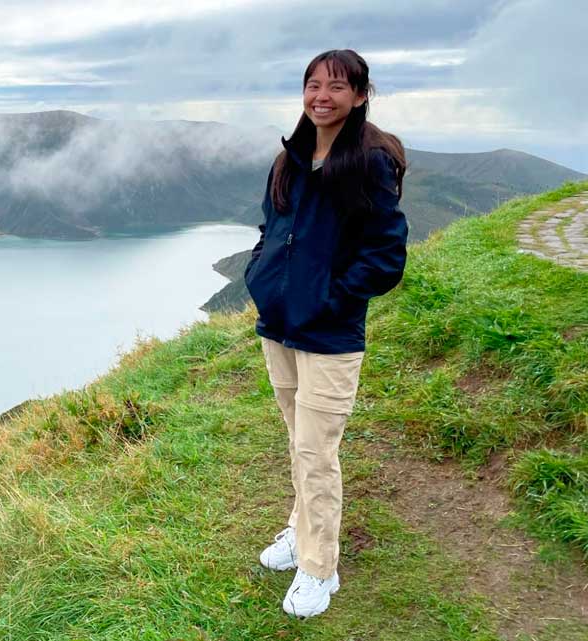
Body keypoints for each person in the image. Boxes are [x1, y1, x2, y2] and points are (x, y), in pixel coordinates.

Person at [243, 49, 408, 618]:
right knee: (300, 442)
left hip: (330, 336)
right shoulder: (289, 159)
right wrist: (260, 277)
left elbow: (385, 256)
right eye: (313, 85)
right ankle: (301, 529)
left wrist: (330, 299)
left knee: (317, 452)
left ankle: (319, 567)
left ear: (360, 96)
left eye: (337, 86)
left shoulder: (368, 162)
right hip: (279, 326)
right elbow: (271, 229)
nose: (322, 96)